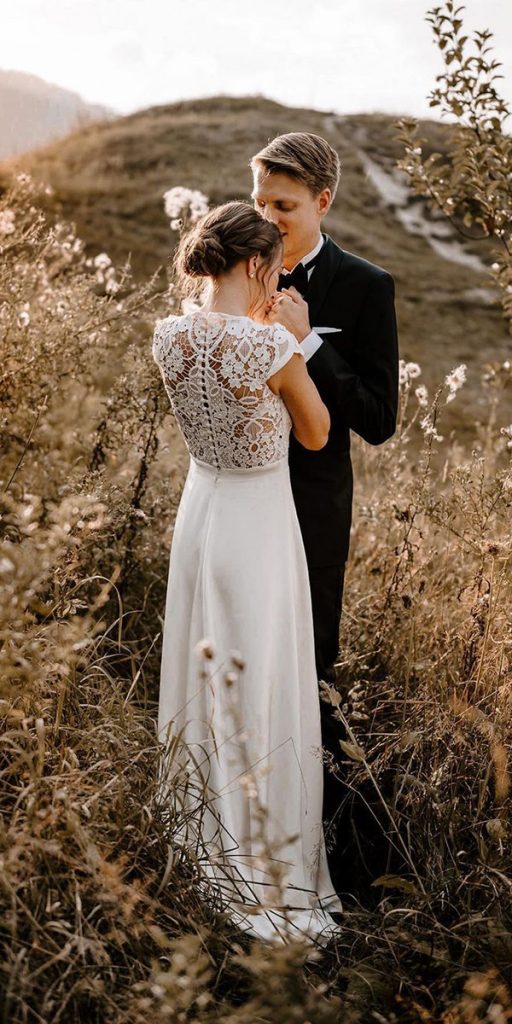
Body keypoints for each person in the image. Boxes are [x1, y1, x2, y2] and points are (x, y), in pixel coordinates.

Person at [152, 200, 343, 946]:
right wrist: (294, 341)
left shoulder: (170, 335)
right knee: (260, 683)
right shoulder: (268, 347)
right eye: (277, 270)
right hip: (259, 526)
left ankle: (199, 841)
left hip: (201, 513)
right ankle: (260, 867)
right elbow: (317, 431)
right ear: (256, 264)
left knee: (204, 681)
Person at [250, 132, 399, 891]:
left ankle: (344, 853)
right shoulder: (236, 271)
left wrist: (310, 345)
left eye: (285, 204)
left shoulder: (365, 285)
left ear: (322, 202)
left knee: (310, 672)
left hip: (310, 508)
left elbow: (378, 418)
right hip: (241, 500)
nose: (269, 217)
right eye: (260, 201)